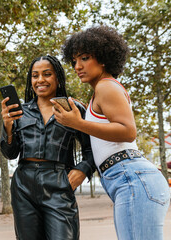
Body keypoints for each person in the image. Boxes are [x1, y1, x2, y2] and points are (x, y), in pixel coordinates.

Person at [56, 25, 170, 239]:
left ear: (103, 57)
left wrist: (78, 123)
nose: (77, 66)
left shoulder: (105, 86)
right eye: (74, 61)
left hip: (132, 178)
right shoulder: (102, 90)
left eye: (85, 58)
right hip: (128, 179)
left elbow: (128, 132)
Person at [0, 55, 96, 240]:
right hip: (23, 185)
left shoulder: (73, 109)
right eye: (35, 76)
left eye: (47, 74)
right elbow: (10, 154)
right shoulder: (21, 111)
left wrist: (82, 170)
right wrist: (8, 127)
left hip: (59, 182)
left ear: (57, 78)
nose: (40, 80)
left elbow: (92, 149)